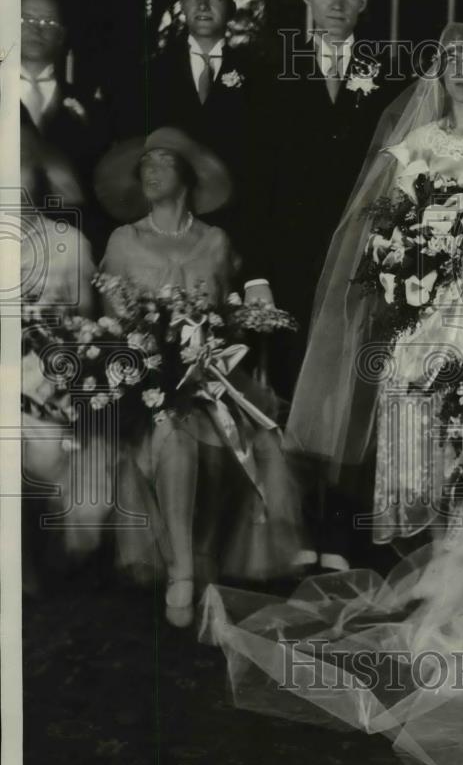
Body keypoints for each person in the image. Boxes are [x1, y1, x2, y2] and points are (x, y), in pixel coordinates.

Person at [201, 23, 463, 765]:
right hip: (422, 324)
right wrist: (408, 268)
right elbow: (377, 228)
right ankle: (443, 603)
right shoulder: (416, 144)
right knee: (430, 454)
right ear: (437, 75)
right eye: (450, 64)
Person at [94, 127, 305, 627]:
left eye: (163, 162)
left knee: (249, 431)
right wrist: (156, 366)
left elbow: (234, 315)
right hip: (146, 387)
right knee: (172, 432)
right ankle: (182, 575)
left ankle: (198, 563)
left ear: (188, 175)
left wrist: (240, 329)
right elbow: (114, 332)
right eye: (145, 163)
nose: (150, 171)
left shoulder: (216, 241)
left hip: (213, 384)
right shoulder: (122, 241)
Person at [267, 0, 407, 573]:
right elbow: (254, 174)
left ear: (364, 3)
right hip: (290, 264)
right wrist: (258, 275)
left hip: (361, 263)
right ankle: (295, 530)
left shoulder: (387, 70)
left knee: (352, 392)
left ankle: (340, 537)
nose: (338, 6)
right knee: (296, 389)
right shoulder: (268, 65)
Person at [146, 0, 267, 290]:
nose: (202, 5)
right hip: (168, 233)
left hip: (236, 230)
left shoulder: (259, 74)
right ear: (181, 3)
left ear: (230, 5)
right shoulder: (152, 74)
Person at [20, 128, 105, 595]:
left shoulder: (70, 244)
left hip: (49, 385)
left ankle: (49, 558)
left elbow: (85, 326)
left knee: (49, 469)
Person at [20, 0, 111, 256]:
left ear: (62, 35)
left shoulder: (91, 105)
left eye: (48, 22)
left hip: (69, 247)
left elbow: (101, 184)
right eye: (25, 19)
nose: (36, 29)